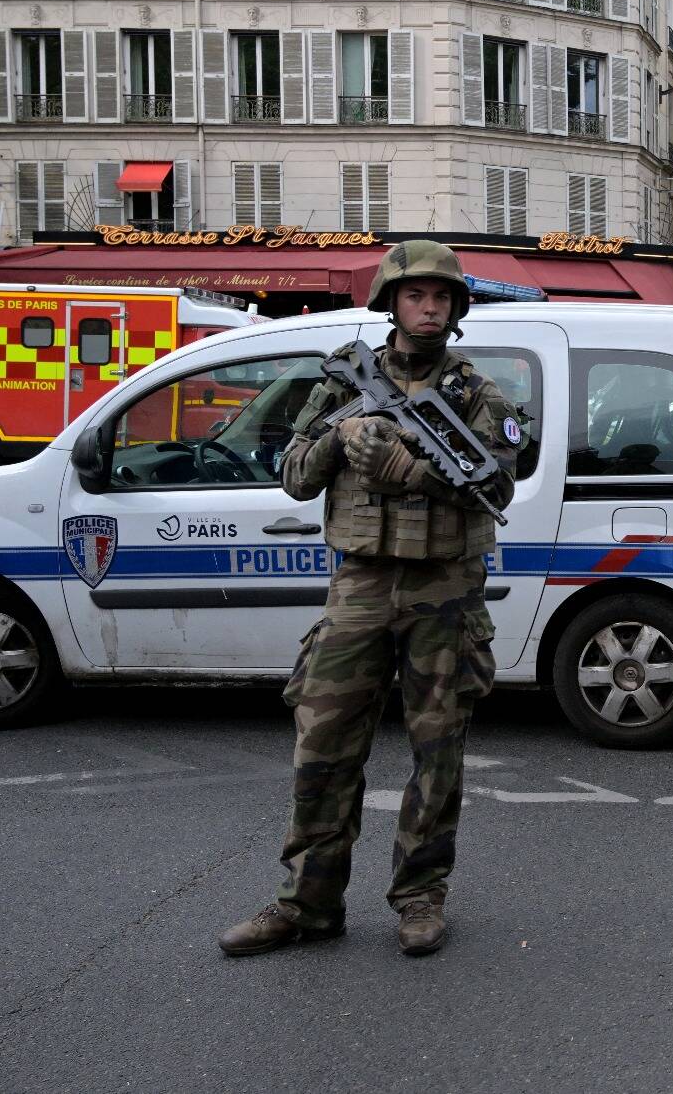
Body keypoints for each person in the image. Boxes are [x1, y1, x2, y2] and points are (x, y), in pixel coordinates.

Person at [218, 241, 520, 959]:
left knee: (436, 750)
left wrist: (413, 472)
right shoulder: (342, 383)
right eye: (417, 295)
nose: (430, 308)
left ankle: (420, 896)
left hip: (443, 589)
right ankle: (308, 902)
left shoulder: (480, 395)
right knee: (322, 743)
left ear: (456, 310)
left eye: (442, 298)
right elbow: (293, 477)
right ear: (392, 300)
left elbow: (499, 486)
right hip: (358, 585)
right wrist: (340, 435)